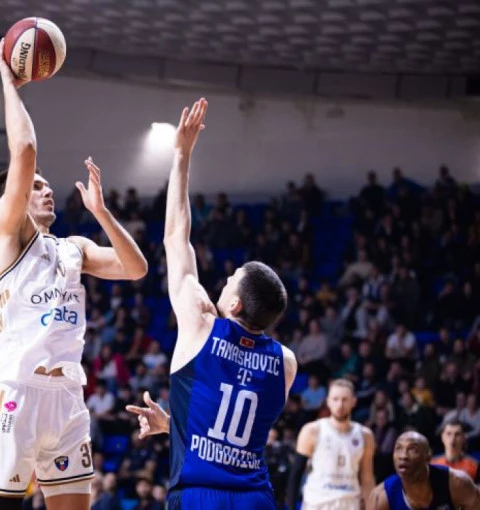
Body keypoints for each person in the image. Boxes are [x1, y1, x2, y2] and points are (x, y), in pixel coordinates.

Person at [0, 40, 147, 510]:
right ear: (11, 200)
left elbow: (136, 268)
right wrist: (9, 81)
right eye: (35, 187)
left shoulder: (74, 248)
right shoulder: (8, 239)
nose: (46, 191)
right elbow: (25, 150)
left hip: (67, 396)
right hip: (17, 391)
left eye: (48, 186)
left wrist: (102, 212)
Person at [129, 98, 296, 509]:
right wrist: (175, 426)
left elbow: (175, 238)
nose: (223, 281)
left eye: (231, 279)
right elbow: (233, 427)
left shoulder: (201, 324)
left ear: (235, 304)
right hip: (255, 498)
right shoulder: (286, 362)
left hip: (198, 494)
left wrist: (181, 155)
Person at [287, 379, 376, 510]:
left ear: (354, 401)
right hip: (317, 503)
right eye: (335, 399)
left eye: (345, 399)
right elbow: (296, 474)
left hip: (349, 503)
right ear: (328, 401)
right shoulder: (312, 430)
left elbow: (367, 479)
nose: (340, 404)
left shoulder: (365, 435)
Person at [366, 431, 480, 510]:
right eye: (399, 449)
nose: (403, 456)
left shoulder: (457, 483)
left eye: (413, 449)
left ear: (428, 457)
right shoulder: (381, 497)